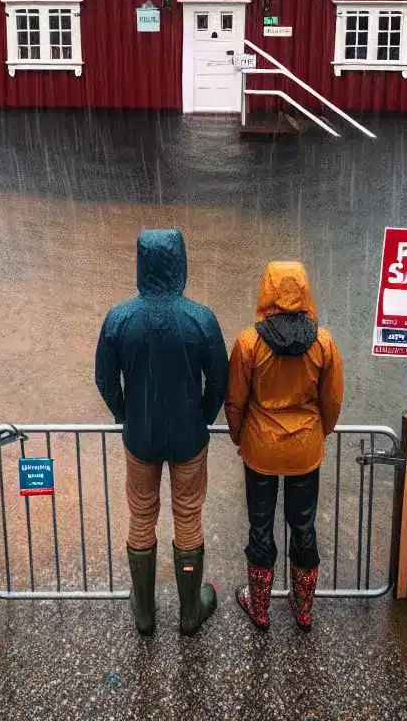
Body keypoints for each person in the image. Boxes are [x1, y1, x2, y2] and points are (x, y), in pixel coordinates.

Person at [94, 228, 228, 636]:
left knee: (141, 516)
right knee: (187, 516)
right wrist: (202, 416)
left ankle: (145, 613)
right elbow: (220, 380)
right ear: (180, 263)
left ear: (141, 264)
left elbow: (104, 379)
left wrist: (126, 414)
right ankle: (190, 614)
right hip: (188, 437)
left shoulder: (118, 318)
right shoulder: (201, 319)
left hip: (141, 439)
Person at [225, 260, 344, 632]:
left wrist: (238, 436)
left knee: (261, 525)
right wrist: (320, 431)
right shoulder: (323, 341)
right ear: (305, 290)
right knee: (303, 524)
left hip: (260, 448)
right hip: (305, 448)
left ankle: (259, 608)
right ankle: (303, 608)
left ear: (267, 290)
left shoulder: (249, 342)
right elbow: (333, 399)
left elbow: (235, 400)